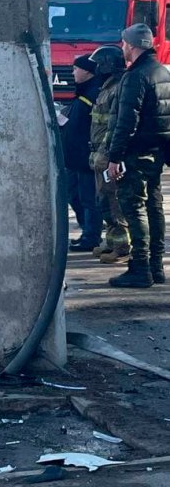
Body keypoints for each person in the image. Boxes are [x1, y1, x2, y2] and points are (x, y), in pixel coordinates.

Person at [106, 23, 170, 288]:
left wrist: (114, 156)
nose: (122, 47)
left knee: (134, 207)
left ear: (131, 46)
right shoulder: (162, 71)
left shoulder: (135, 76)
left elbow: (126, 121)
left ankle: (140, 268)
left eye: (124, 43)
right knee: (154, 207)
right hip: (158, 152)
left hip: (136, 153)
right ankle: (156, 266)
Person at [87, 46, 130, 264]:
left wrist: (106, 153)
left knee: (114, 201)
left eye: (98, 64)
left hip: (107, 154)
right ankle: (111, 242)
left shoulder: (117, 89)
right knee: (103, 200)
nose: (95, 68)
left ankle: (121, 247)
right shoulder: (106, 87)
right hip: (99, 153)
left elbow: (114, 126)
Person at [62, 53, 103, 252]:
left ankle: (91, 236)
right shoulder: (84, 92)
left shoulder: (94, 93)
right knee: (74, 195)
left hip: (86, 156)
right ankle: (87, 230)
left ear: (87, 71)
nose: (73, 73)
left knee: (88, 198)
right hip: (75, 157)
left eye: (76, 69)